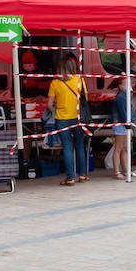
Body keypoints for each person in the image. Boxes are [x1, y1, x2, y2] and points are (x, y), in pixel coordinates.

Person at [47, 54, 90, 186]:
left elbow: (49, 105)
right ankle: (82, 175)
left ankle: (70, 178)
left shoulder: (55, 83)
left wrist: (55, 107)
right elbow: (86, 100)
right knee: (79, 146)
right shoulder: (79, 80)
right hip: (78, 118)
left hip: (62, 118)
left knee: (67, 147)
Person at [106, 78, 136, 180]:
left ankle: (126, 170)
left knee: (125, 149)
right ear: (120, 86)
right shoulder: (120, 97)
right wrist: (129, 126)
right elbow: (124, 113)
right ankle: (117, 171)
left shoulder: (125, 96)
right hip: (121, 124)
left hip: (124, 124)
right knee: (119, 148)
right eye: (126, 84)